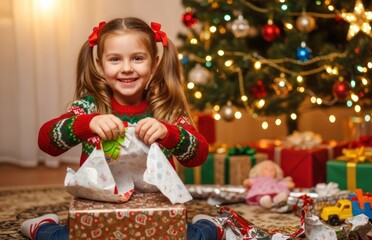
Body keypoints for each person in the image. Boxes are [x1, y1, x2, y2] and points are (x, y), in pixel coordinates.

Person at [20, 17, 223, 240]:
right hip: (101, 207)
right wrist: (87, 124)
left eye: (137, 58)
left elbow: (198, 155)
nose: (126, 68)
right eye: (115, 59)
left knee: (198, 238)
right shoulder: (90, 106)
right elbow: (46, 141)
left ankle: (206, 223)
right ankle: (44, 226)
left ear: (154, 63)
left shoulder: (166, 109)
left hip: (157, 210)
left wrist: (169, 133)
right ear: (99, 64)